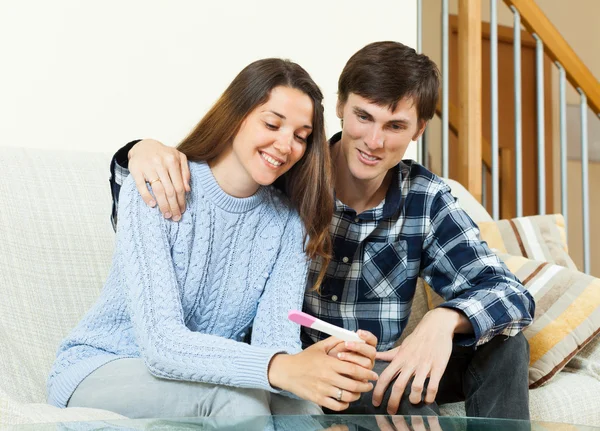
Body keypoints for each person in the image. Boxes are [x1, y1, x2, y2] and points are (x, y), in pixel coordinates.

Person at [106, 42, 535, 419]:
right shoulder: (286, 173)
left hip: (376, 366)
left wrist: (444, 319)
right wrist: (136, 152)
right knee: (401, 400)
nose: (374, 140)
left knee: (507, 344)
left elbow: (512, 294)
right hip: (298, 362)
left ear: (418, 131)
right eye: (363, 117)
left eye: (395, 127)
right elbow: (185, 212)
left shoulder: (426, 199)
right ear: (341, 107)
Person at [47, 58, 380, 419]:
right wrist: (280, 367)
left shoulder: (289, 224)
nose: (286, 145)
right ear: (236, 115)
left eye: (301, 137)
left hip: (204, 376)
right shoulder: (158, 184)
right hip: (106, 364)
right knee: (236, 403)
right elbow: (161, 344)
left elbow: (276, 342)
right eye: (272, 123)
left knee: (303, 410)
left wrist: (318, 366)